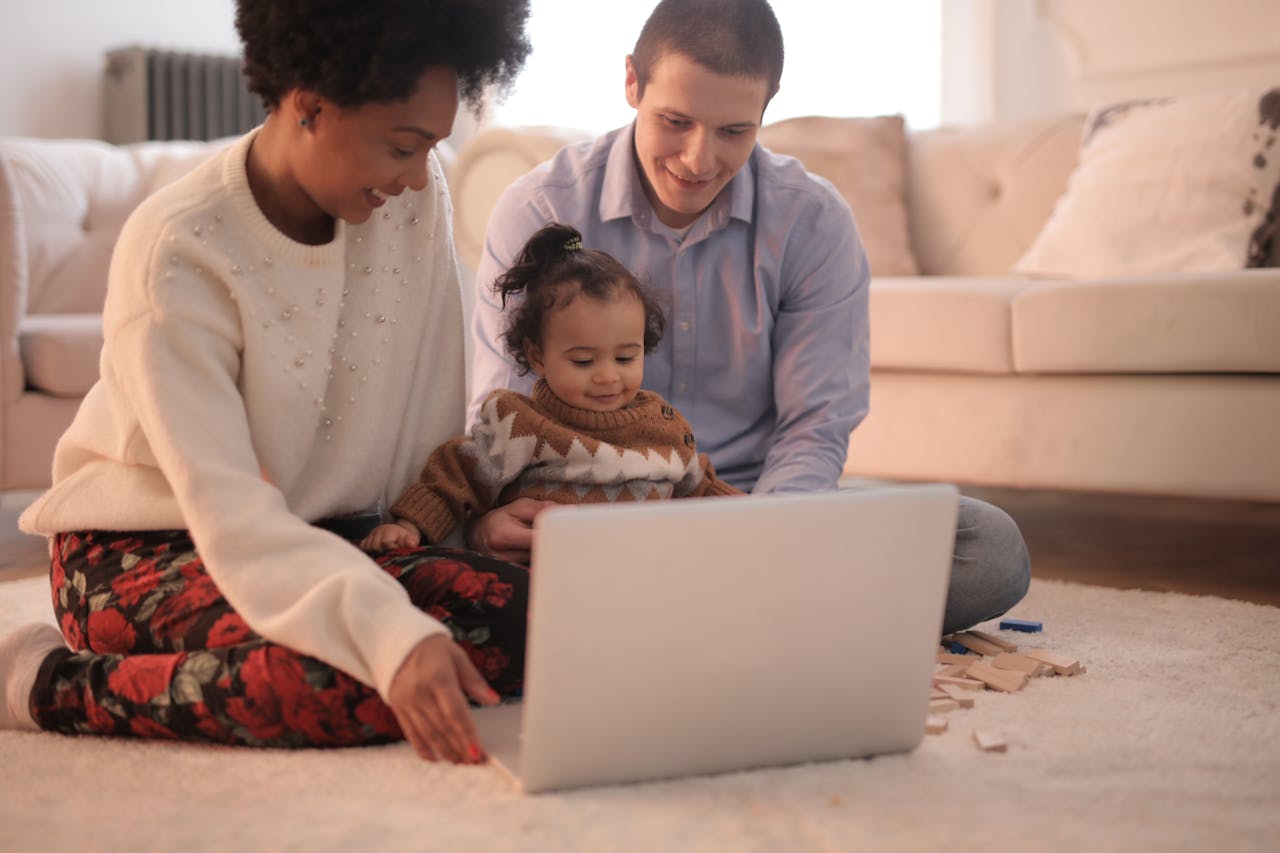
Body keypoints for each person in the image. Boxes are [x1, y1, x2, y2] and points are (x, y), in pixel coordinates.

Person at [0, 0, 533, 766]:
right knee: (344, 679)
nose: (419, 175)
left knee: (533, 617)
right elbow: (234, 514)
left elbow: (428, 415)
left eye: (431, 147)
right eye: (402, 146)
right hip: (143, 555)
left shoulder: (416, 199)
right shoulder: (177, 248)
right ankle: (45, 682)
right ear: (309, 106)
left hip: (328, 539)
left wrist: (448, 543)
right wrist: (390, 632)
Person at [466, 0, 1031, 633]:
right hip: (586, 511)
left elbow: (816, 425)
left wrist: (761, 539)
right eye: (675, 121)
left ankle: (676, 615)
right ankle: (750, 620)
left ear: (768, 107)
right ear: (632, 82)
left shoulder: (813, 221)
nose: (698, 159)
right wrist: (500, 517)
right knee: (469, 555)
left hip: (750, 505)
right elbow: (501, 409)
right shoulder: (541, 208)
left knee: (988, 550)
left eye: (733, 131)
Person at [361, 222, 741, 553]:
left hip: (650, 569)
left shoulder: (664, 426)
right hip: (544, 574)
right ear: (538, 356)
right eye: (583, 361)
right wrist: (410, 525)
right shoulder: (518, 423)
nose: (608, 376)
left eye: (625, 358)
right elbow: (455, 478)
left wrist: (753, 516)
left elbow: (701, 487)